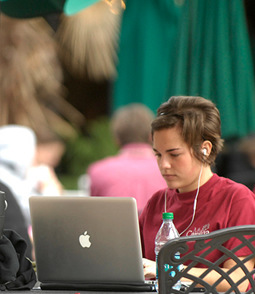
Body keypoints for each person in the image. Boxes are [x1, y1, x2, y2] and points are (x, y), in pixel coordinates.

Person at [140, 96, 255, 292]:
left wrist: (171, 271)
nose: (164, 165)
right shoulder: (157, 202)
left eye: (174, 154)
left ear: (205, 149)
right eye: (158, 154)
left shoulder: (236, 199)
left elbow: (238, 280)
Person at [87, 103, 167, 214]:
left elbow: (94, 213)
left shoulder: (98, 171)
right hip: (160, 230)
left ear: (116, 138)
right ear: (151, 135)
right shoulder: (168, 168)